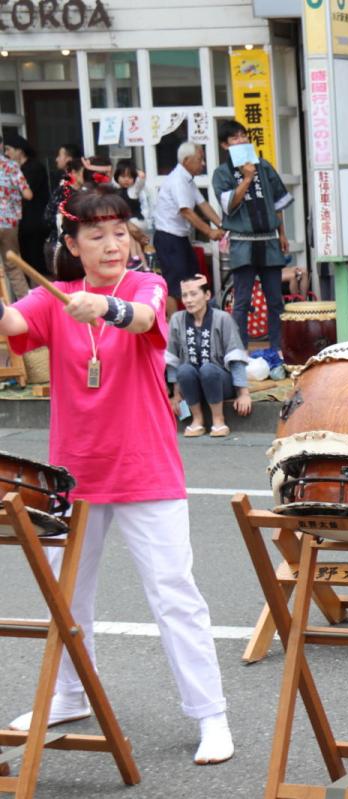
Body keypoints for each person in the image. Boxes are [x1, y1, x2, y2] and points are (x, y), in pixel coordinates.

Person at [0, 185, 233, 765]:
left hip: (144, 469)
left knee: (174, 593)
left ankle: (211, 715)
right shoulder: (55, 298)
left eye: (120, 231)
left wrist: (104, 308)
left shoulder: (142, 284)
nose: (112, 244)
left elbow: (147, 318)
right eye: (96, 234)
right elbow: (10, 324)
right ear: (73, 244)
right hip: (72, 477)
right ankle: (71, 693)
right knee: (66, 597)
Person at [212, 120, 292, 353]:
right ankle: (239, 351)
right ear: (225, 145)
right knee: (242, 301)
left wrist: (282, 233)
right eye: (234, 138)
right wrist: (246, 179)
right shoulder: (222, 173)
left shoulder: (264, 167)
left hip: (268, 239)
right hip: (243, 242)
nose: (241, 140)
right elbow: (229, 205)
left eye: (243, 136)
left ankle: (278, 348)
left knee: (275, 300)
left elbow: (278, 202)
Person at [167, 274, 252, 437]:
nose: (188, 300)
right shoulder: (177, 319)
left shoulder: (223, 318)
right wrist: (176, 395)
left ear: (207, 295)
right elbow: (172, 359)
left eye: (193, 294)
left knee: (208, 370)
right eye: (185, 295)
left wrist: (243, 394)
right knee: (184, 370)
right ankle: (197, 420)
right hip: (192, 383)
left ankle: (218, 420)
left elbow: (236, 357)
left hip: (220, 381)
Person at [152, 142, 223, 316]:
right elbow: (186, 212)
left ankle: (195, 322)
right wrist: (209, 231)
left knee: (192, 279)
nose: (203, 164)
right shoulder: (178, 180)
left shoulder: (188, 179)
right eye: (200, 159)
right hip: (169, 237)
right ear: (186, 160)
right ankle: (172, 327)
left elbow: (203, 204)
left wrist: (221, 225)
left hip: (180, 237)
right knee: (174, 283)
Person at [3, 134, 51, 276]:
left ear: (20, 150)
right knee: (24, 263)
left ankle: (42, 293)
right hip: (21, 222)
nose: (6, 154)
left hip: (34, 222)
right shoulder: (16, 169)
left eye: (8, 149)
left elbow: (27, 195)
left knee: (35, 263)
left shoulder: (34, 168)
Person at [0, 145, 32, 299]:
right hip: (9, 222)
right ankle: (26, 305)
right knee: (13, 266)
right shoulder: (11, 166)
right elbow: (28, 194)